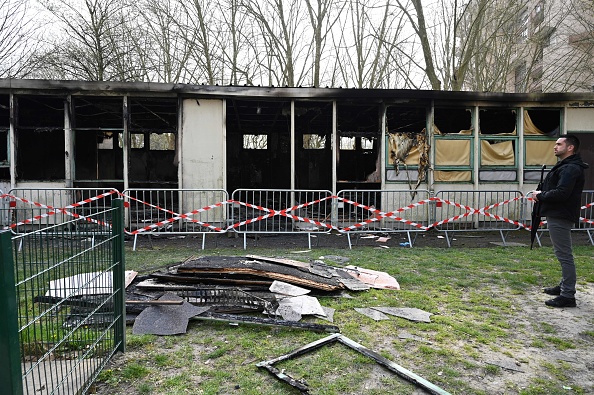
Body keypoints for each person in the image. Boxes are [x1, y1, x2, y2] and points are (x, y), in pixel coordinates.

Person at [533, 134, 588, 308]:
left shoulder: (570, 168)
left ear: (570, 147)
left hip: (560, 214)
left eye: (559, 144)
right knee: (562, 254)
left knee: (564, 255)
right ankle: (565, 286)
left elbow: (562, 193)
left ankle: (568, 295)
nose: (555, 147)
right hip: (558, 213)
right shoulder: (566, 166)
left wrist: (541, 195)